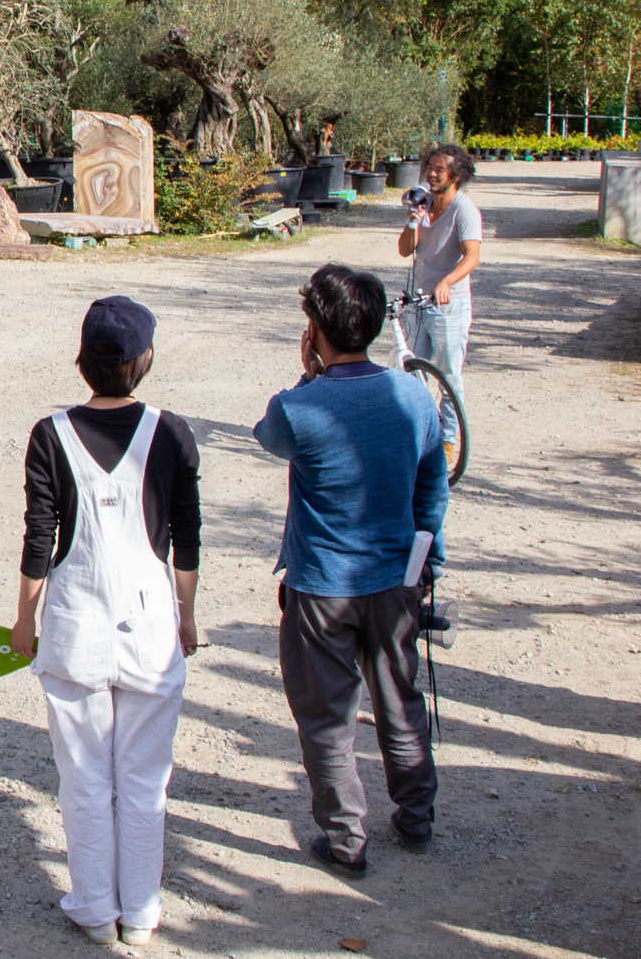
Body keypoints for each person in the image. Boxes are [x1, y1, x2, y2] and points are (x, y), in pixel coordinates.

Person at [11, 296, 201, 948]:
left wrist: (22, 621)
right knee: (146, 777)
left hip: (76, 621)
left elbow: (40, 540)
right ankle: (142, 911)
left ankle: (94, 905)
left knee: (84, 774)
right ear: (144, 360)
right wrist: (188, 614)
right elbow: (186, 536)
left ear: (82, 360)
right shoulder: (171, 432)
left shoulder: (50, 434)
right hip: (150, 621)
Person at [255, 263, 447, 879]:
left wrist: (309, 374)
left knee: (327, 717)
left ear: (313, 330)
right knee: (400, 699)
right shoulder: (414, 396)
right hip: (394, 580)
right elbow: (431, 489)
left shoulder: (297, 408)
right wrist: (427, 563)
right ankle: (416, 817)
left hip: (319, 587)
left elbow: (268, 436)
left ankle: (344, 840)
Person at [397, 142, 481, 466]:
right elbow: (405, 250)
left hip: (450, 306)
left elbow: (472, 257)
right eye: (428, 167)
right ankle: (420, 434)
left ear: (455, 175)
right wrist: (413, 221)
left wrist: (447, 281)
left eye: (439, 169)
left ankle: (448, 441)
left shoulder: (465, 210)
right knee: (411, 372)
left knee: (448, 377)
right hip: (419, 302)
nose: (430, 174)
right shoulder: (423, 203)